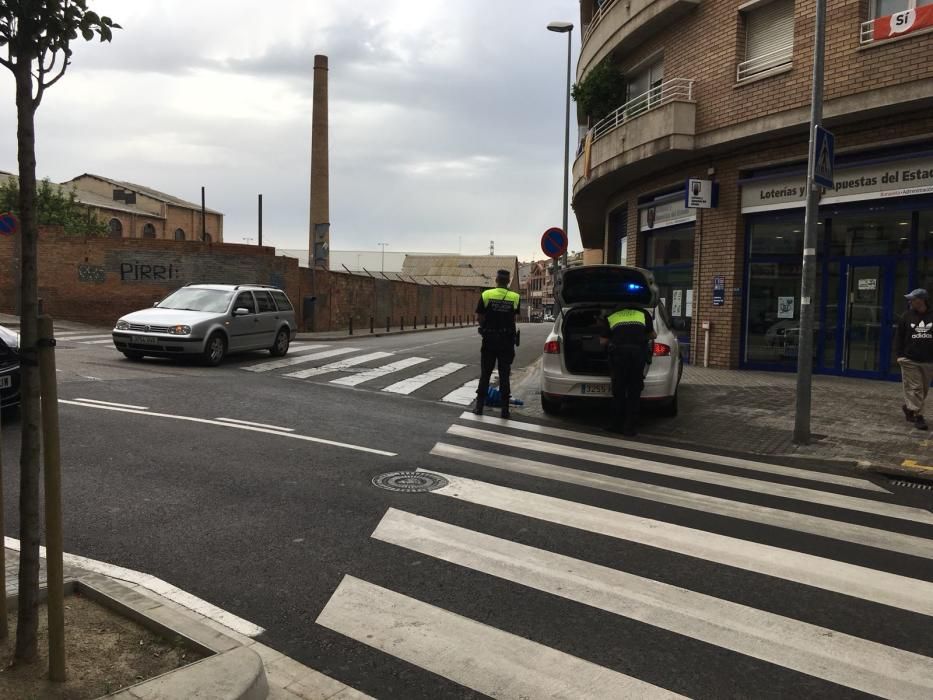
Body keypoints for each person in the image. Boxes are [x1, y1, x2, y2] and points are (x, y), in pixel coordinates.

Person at [600, 305, 656, 436]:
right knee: (634, 392)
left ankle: (616, 425)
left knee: (618, 391)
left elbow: (603, 341)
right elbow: (653, 335)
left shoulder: (611, 315)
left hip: (619, 357)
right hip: (637, 357)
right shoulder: (643, 314)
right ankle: (630, 428)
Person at [474, 269, 520, 418]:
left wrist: (486, 328)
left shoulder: (486, 295)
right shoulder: (515, 297)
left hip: (489, 340)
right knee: (504, 375)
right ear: (508, 282)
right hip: (506, 342)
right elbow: (513, 318)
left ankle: (479, 407)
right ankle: (505, 411)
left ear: (496, 280)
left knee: (485, 374)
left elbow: (480, 317)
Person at [895, 288, 933, 430]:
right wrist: (899, 355)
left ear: (921, 300)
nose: (910, 301)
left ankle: (909, 408)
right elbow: (899, 337)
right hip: (909, 359)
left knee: (923, 390)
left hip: (928, 360)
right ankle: (919, 417)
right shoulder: (906, 316)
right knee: (916, 388)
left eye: (912, 299)